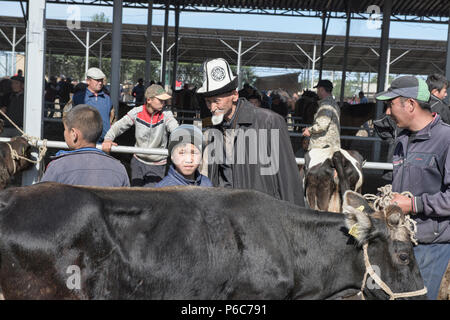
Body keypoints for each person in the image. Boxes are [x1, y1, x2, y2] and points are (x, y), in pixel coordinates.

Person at [375, 75, 450, 300]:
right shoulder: (402, 140)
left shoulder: (446, 139)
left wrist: (413, 204)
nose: (387, 112)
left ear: (410, 104)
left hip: (430, 245)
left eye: (391, 104)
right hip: (399, 241)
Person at [198, 58, 304, 206]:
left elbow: (288, 180)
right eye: (208, 102)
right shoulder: (215, 128)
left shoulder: (269, 122)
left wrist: (294, 223)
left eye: (217, 101)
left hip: (261, 217)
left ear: (234, 95)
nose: (212, 108)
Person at [102, 84, 179, 187]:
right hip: (137, 161)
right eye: (160, 100)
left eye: (164, 100)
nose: (164, 102)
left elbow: (174, 127)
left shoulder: (166, 114)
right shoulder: (137, 112)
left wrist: (181, 139)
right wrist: (108, 139)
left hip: (157, 164)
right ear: (149, 100)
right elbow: (119, 126)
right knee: (135, 193)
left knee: (150, 197)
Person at [41, 104, 129, 187]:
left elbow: (42, 199)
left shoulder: (57, 167)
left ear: (73, 134)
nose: (64, 133)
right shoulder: (119, 169)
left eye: (65, 129)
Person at [72, 67, 114, 142]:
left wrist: (110, 135)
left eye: (101, 80)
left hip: (104, 142)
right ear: (88, 81)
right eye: (97, 80)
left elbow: (113, 117)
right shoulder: (78, 97)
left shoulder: (107, 99)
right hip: (84, 142)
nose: (100, 83)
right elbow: (68, 117)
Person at [302, 79, 340, 151]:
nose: (317, 92)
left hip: (321, 146)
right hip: (331, 145)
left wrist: (308, 130)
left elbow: (322, 125)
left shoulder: (326, 105)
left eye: (318, 89)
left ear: (322, 89)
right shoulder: (334, 103)